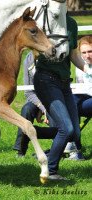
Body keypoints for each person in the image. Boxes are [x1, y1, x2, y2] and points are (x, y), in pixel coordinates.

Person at [33, 13, 89, 180]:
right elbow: (34, 49)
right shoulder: (43, 21)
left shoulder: (71, 23)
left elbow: (73, 55)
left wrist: (89, 70)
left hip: (65, 84)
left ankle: (32, 132)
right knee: (66, 129)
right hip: (46, 80)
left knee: (73, 134)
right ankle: (50, 170)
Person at [13, 52, 56, 157]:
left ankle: (56, 149)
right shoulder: (28, 60)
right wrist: (42, 107)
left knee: (54, 114)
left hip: (54, 98)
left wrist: (46, 108)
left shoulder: (54, 59)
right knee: (26, 110)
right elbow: (28, 92)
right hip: (36, 100)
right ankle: (20, 151)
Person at [65, 35, 92, 159]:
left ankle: (71, 144)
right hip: (84, 100)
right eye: (84, 52)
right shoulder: (80, 65)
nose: (87, 56)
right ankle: (73, 147)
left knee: (72, 104)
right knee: (72, 102)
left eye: (90, 51)